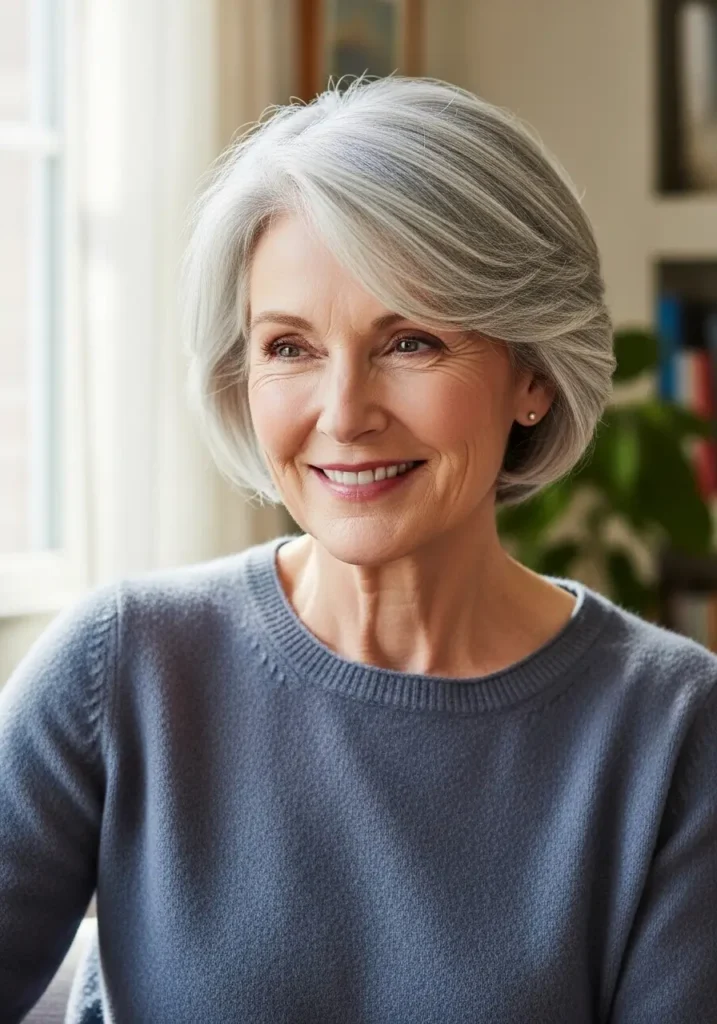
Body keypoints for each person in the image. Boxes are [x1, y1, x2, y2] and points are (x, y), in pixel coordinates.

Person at [1, 75, 715, 1024]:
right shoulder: (122, 664)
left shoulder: (673, 727)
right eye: (288, 348)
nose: (343, 415)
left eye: (410, 341)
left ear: (532, 376)